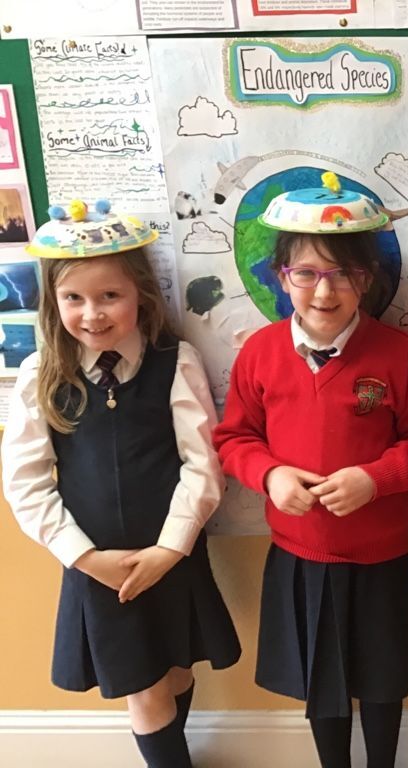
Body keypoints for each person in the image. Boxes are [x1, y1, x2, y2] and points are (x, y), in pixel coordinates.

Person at [213, 172, 408, 768]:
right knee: (321, 686)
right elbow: (234, 438)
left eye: (342, 273)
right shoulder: (259, 353)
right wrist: (270, 475)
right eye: (307, 273)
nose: (325, 291)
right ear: (281, 277)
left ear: (366, 279)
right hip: (301, 557)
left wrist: (374, 478)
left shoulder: (396, 354)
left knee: (383, 683)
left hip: (379, 557)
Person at [2, 199, 240, 768]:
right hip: (98, 567)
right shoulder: (42, 374)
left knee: (176, 669)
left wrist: (169, 549)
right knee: (143, 687)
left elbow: (203, 463)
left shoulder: (175, 361)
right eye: (73, 298)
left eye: (110, 295)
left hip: (172, 555)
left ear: (141, 294)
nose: (93, 314)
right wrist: (85, 558)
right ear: (53, 299)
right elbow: (25, 482)